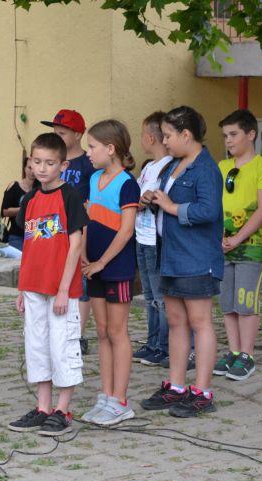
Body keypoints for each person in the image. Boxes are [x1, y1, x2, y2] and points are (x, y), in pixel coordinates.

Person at [138, 106, 224, 418]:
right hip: (171, 255)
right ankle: (176, 386)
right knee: (176, 320)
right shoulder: (173, 165)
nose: (164, 141)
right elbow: (165, 201)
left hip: (196, 257)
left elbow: (208, 211)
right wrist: (151, 200)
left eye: (169, 135)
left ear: (186, 135)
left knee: (200, 323)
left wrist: (172, 207)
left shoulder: (206, 168)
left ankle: (202, 392)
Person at [7, 132, 89, 436]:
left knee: (62, 347)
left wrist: (65, 289)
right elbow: (30, 245)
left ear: (63, 165)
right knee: (37, 346)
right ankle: (43, 407)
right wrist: (22, 287)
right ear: (30, 162)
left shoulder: (70, 197)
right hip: (33, 286)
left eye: (50, 163)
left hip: (60, 290)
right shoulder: (30, 199)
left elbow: (76, 244)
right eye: (37, 162)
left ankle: (62, 410)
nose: (42, 168)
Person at [78, 119, 139, 425]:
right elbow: (88, 221)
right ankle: (105, 395)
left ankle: (120, 400)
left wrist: (102, 262)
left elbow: (126, 231)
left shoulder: (128, 183)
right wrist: (84, 255)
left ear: (111, 148)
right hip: (94, 267)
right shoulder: (94, 178)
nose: (88, 152)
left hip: (117, 268)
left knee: (117, 331)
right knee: (101, 331)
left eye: (92, 146)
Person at [215, 109, 262, 381]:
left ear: (250, 134)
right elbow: (216, 206)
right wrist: (219, 237)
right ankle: (234, 350)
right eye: (225, 135)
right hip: (223, 246)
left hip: (250, 247)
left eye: (233, 134)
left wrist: (238, 238)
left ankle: (247, 355)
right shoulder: (222, 167)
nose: (228, 140)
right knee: (227, 302)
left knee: (245, 301)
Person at [41, 108, 95, 354]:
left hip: (78, 229)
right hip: (52, 228)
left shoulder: (87, 164)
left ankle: (78, 334)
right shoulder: (50, 161)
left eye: (62, 133)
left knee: (79, 282)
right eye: (55, 132)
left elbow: (91, 202)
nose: (57, 136)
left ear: (78, 134)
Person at [133, 111, 173, 366]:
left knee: (160, 297)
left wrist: (142, 201)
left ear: (150, 138)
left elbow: (149, 199)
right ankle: (152, 342)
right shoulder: (148, 167)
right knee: (149, 295)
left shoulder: (168, 166)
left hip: (156, 240)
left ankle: (164, 346)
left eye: (142, 135)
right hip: (141, 237)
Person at [0, 155, 35, 251]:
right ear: (24, 168)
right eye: (29, 168)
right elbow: (4, 211)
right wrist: (25, 208)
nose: (32, 171)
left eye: (34, 168)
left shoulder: (41, 188)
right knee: (17, 260)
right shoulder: (14, 186)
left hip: (35, 235)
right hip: (17, 236)